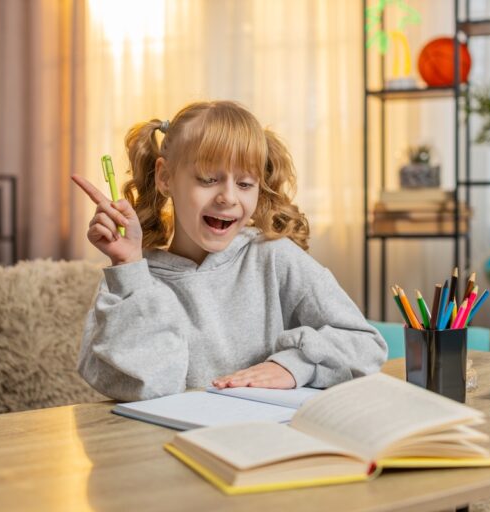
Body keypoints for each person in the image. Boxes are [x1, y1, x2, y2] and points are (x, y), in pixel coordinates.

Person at [71, 100, 386, 402]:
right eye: (209, 179)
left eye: (246, 184)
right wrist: (129, 269)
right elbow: (147, 385)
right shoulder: (133, 278)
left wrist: (292, 366)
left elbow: (366, 344)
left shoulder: (274, 257)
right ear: (166, 178)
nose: (229, 198)